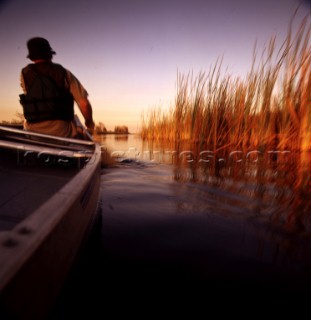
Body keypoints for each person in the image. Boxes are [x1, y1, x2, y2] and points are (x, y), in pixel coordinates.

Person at [19, 37, 95, 138]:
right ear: (50, 55)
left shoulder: (24, 73)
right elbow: (84, 103)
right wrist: (89, 122)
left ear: (32, 58)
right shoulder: (64, 73)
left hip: (33, 132)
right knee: (77, 123)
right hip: (62, 132)